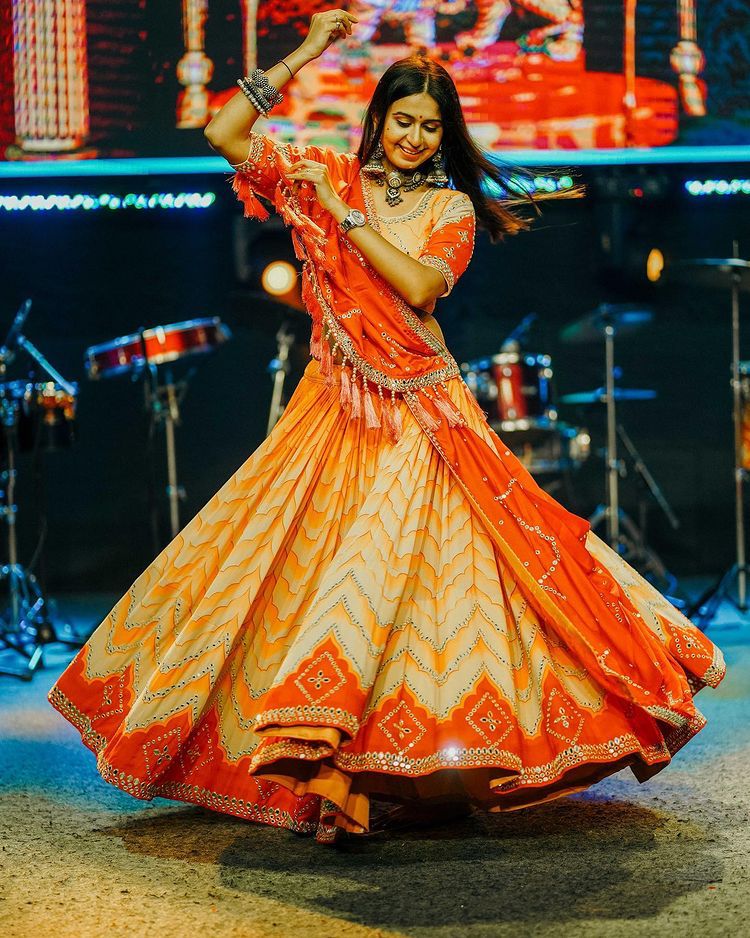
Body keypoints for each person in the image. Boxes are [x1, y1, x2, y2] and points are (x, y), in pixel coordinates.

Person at [49, 9, 725, 845]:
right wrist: (306, 51)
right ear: (378, 120)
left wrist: (348, 214)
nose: (411, 137)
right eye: (401, 120)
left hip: (422, 415)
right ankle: (335, 778)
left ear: (444, 137)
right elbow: (225, 130)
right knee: (288, 575)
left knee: (386, 592)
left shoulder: (450, 209)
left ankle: (371, 777)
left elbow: (414, 290)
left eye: (427, 127)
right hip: (332, 410)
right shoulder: (326, 168)